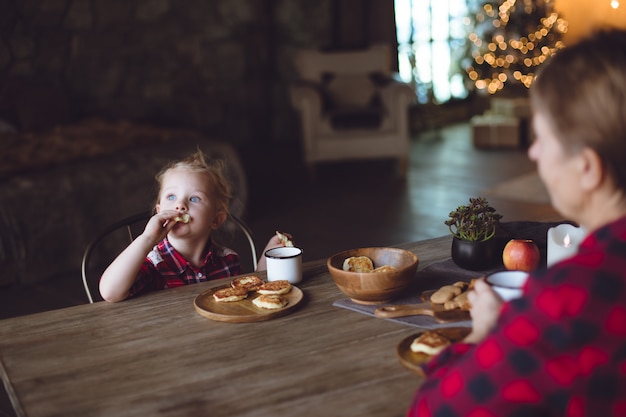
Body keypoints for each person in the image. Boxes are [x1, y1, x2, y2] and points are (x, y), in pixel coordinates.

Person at [408, 28, 626, 416]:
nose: (533, 152)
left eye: (542, 138)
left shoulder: (568, 302)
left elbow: (434, 409)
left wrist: (483, 332)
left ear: (588, 167)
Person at [99, 150, 289, 302]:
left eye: (194, 198)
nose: (180, 205)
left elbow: (243, 302)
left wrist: (266, 263)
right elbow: (110, 292)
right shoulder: (154, 263)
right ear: (159, 211)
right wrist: (147, 238)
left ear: (216, 220)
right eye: (171, 196)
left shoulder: (227, 261)